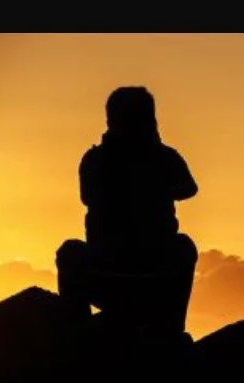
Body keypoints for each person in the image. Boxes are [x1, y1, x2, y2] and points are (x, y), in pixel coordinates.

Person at [56, 86, 199, 333]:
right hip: (133, 270)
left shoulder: (95, 160)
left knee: (69, 252)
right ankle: (170, 330)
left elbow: (188, 188)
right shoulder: (163, 158)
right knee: (184, 247)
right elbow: (187, 189)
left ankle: (75, 333)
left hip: (130, 270)